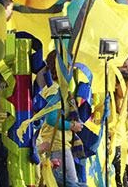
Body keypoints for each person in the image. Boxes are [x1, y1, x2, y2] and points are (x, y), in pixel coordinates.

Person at [40, 50, 84, 183]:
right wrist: (72, 125)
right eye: (68, 65)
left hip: (60, 144)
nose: (70, 69)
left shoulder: (55, 87)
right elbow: (52, 118)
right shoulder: (54, 89)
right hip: (57, 146)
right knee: (71, 183)